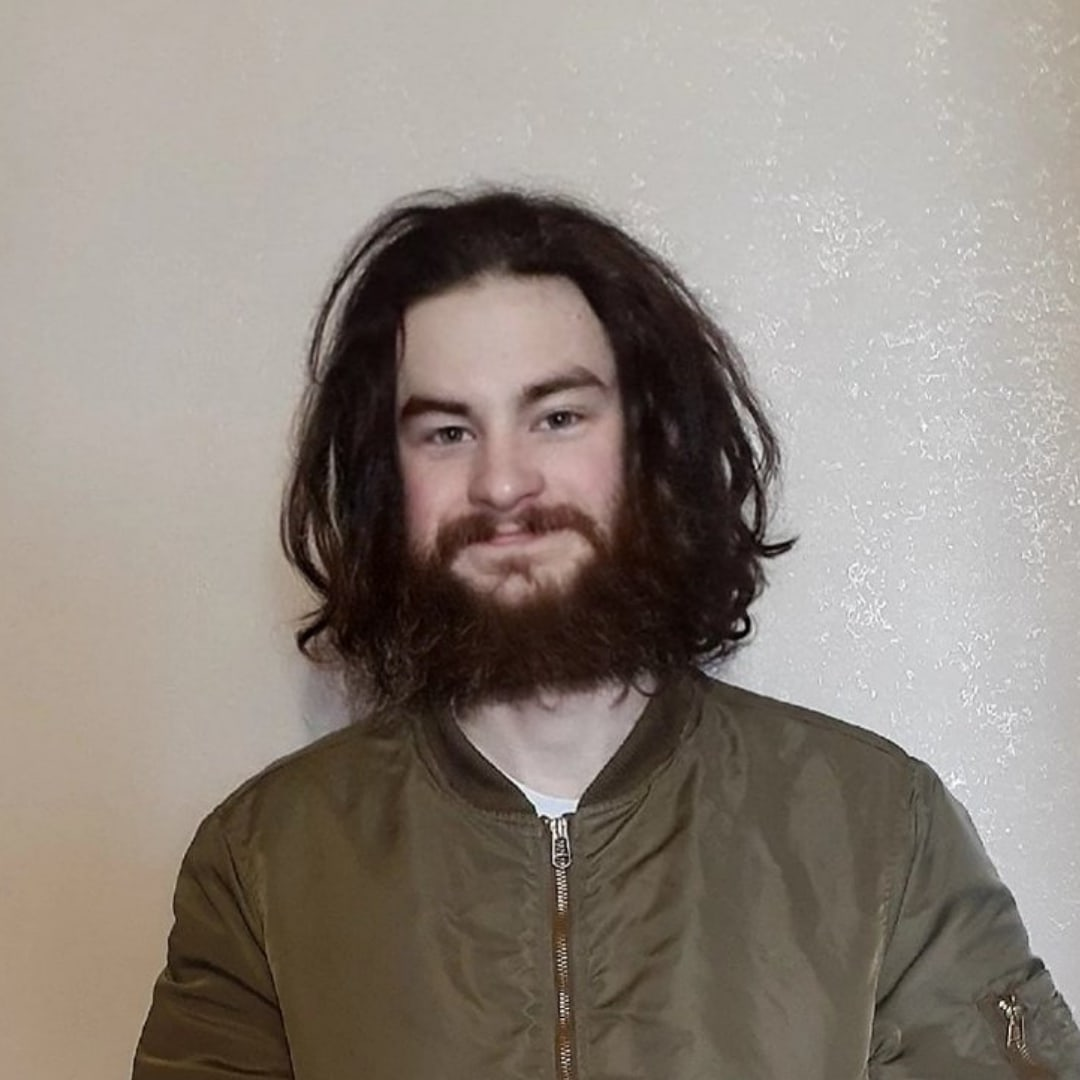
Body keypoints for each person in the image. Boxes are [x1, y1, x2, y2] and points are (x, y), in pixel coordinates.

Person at [133, 188, 1080, 1079]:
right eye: (448, 432)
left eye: (556, 417)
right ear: (389, 480)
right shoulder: (260, 863)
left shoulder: (882, 831)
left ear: (651, 443)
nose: (503, 483)